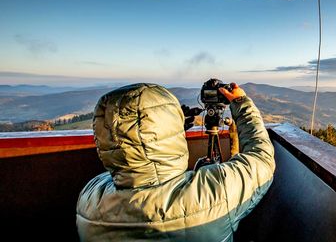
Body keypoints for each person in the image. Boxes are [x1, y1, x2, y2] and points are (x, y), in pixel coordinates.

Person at [76, 82, 275, 241]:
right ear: (168, 130)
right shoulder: (216, 192)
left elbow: (131, 158)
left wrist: (172, 126)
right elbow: (261, 157)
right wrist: (242, 103)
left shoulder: (90, 198)